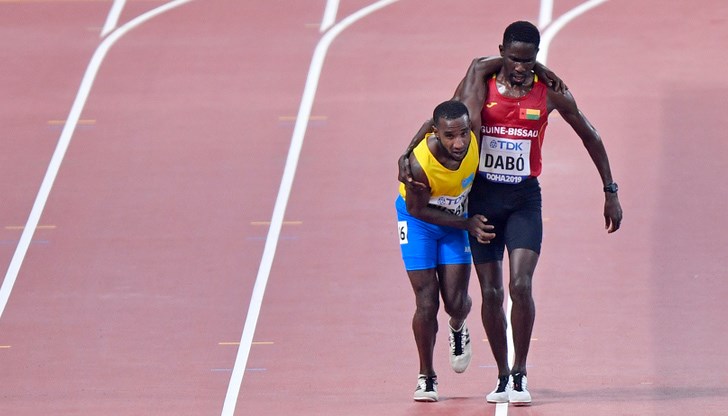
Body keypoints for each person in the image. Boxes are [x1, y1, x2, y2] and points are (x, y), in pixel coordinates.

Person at [399, 21, 623, 405]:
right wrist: (407, 153)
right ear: (502, 52)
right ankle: (502, 375)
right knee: (490, 292)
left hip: (523, 200)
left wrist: (610, 190)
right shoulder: (480, 85)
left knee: (520, 285)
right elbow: (441, 117)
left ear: (537, 58)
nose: (520, 68)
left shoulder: (550, 93)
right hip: (482, 200)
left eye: (529, 60)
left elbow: (591, 135)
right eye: (514, 59)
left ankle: (520, 373)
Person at [396, 98, 494, 402]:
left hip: (454, 221)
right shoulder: (419, 166)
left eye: (463, 133)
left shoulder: (472, 132)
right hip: (419, 223)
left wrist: (542, 74)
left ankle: (458, 325)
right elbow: (418, 209)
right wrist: (466, 224)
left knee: (456, 303)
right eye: (450, 136)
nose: (459, 143)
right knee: (426, 303)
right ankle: (426, 376)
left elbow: (477, 72)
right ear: (436, 134)